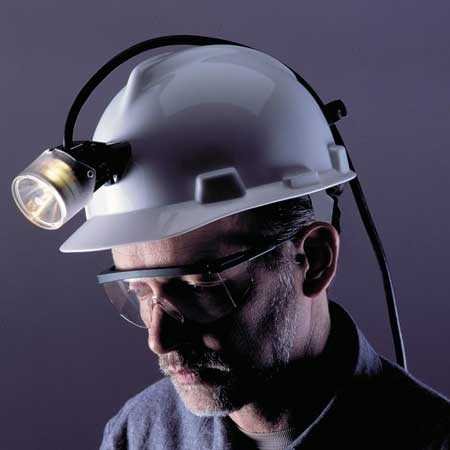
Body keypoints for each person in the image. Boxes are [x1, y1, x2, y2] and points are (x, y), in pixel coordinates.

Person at [98, 194, 449, 450]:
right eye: (139, 290)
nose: (159, 340)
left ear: (314, 260)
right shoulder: (138, 434)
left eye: (201, 285)